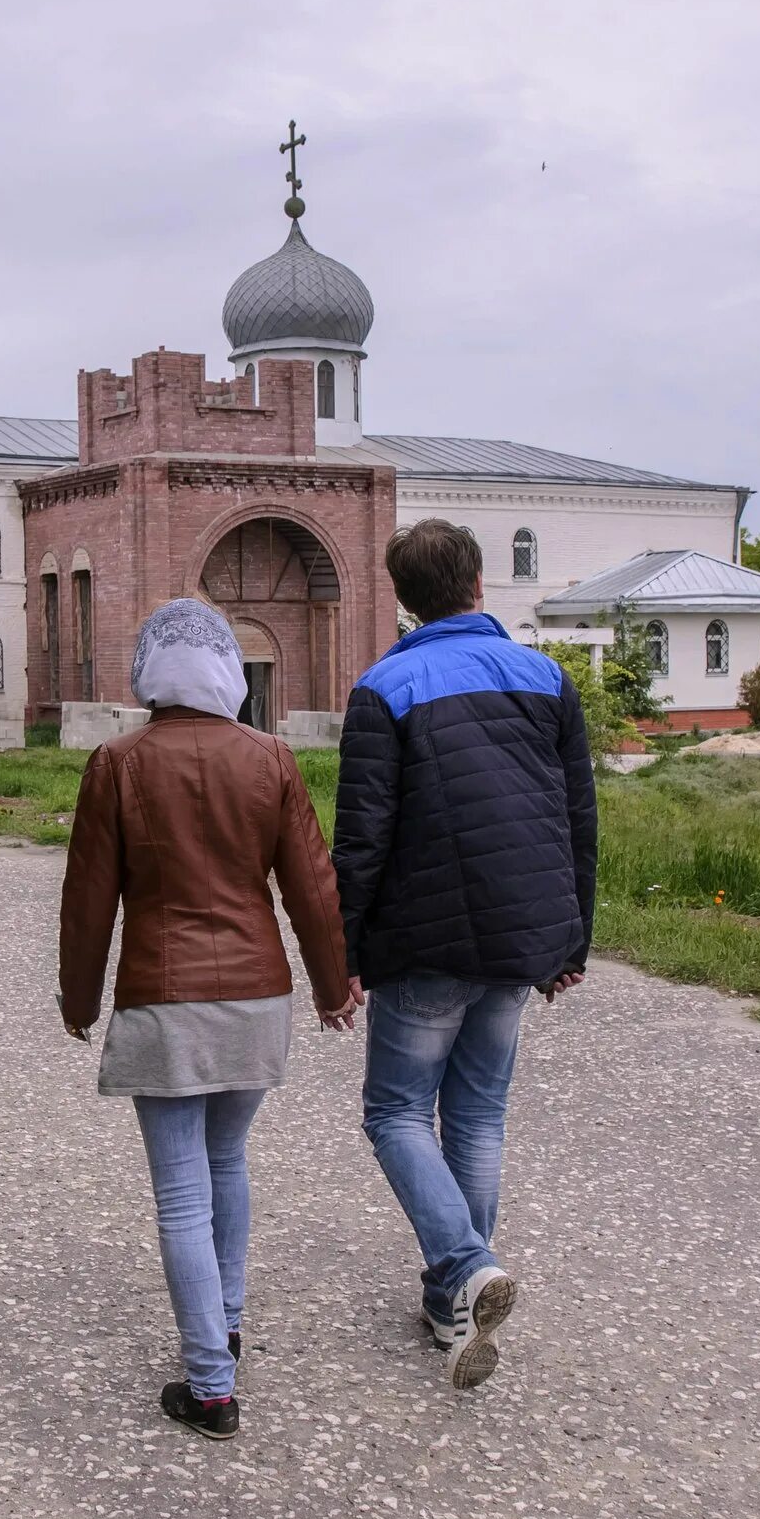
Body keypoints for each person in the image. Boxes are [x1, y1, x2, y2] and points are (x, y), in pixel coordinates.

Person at [59, 599, 354, 1442]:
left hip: (163, 1001)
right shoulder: (272, 758)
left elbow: (89, 903)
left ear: (149, 669)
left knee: (182, 1190)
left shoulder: (116, 763)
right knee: (227, 1159)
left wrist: (79, 1003)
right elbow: (312, 887)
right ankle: (223, 1322)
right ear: (227, 666)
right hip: (258, 1000)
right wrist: (334, 988)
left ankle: (211, 1385)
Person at [332, 519, 597, 1392]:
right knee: (478, 1115)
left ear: (406, 599)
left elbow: (362, 838)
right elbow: (576, 820)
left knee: (396, 1112)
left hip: (425, 939)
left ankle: (466, 1266)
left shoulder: (382, 687)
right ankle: (453, 1303)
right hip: (522, 936)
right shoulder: (548, 677)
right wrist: (571, 938)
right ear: (480, 582)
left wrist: (348, 946)